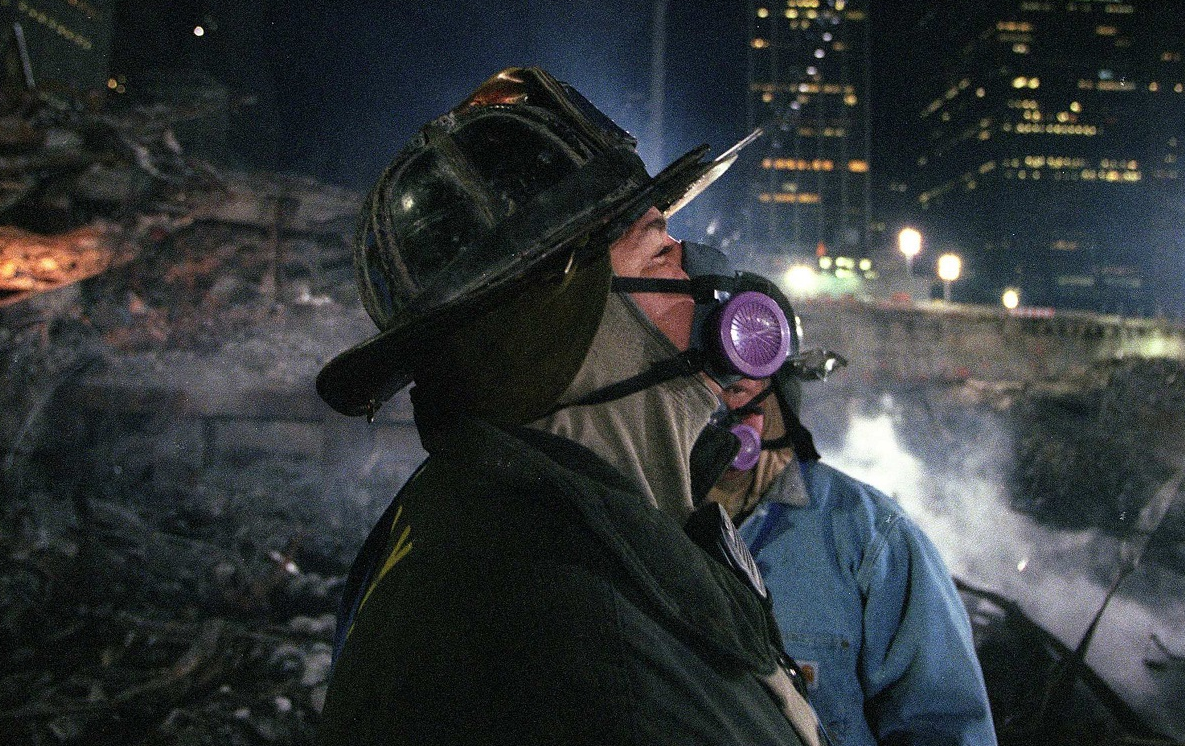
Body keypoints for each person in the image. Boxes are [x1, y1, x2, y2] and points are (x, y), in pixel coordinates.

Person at [314, 66, 824, 746]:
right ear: (561, 326)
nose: (703, 271)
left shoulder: (484, 518)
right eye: (662, 251)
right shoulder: (575, 647)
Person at [700, 270, 997, 746]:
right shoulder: (634, 519)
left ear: (779, 399)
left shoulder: (869, 539)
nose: (712, 417)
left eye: (736, 391)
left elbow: (945, 727)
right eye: (697, 394)